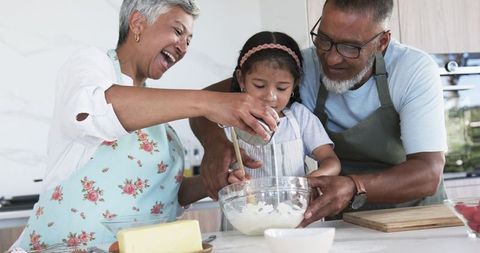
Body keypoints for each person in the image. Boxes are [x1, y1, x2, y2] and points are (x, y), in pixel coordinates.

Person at [10, 0, 279, 251]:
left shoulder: (159, 121)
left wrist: (214, 182)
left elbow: (163, 196)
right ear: (137, 24)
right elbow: (93, 111)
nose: (183, 47)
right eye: (178, 31)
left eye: (189, 40)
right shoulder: (92, 65)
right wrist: (208, 102)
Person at [190, 0, 447, 227]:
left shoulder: (413, 70)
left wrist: (354, 186)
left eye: (350, 47)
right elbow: (203, 106)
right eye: (323, 39)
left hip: (414, 218)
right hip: (345, 219)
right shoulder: (303, 67)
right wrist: (216, 145)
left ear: (382, 42)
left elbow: (428, 173)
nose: (331, 58)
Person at [223, 31, 340, 184]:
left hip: (295, 206)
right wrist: (230, 177)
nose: (270, 96)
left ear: (294, 85)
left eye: (282, 88)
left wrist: (309, 181)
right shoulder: (228, 119)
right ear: (241, 79)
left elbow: (332, 162)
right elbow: (219, 170)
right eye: (259, 85)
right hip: (247, 207)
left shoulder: (300, 117)